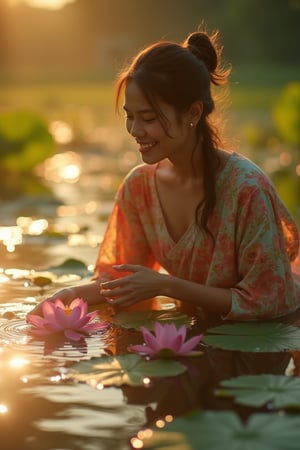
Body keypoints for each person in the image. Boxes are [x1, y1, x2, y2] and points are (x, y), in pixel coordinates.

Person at [29, 28, 300, 321]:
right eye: (130, 116)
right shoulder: (139, 187)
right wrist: (68, 295)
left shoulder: (246, 189)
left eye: (148, 118)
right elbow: (121, 282)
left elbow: (267, 302)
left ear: (193, 113)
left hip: (269, 335)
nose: (135, 130)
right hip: (201, 329)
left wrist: (166, 286)